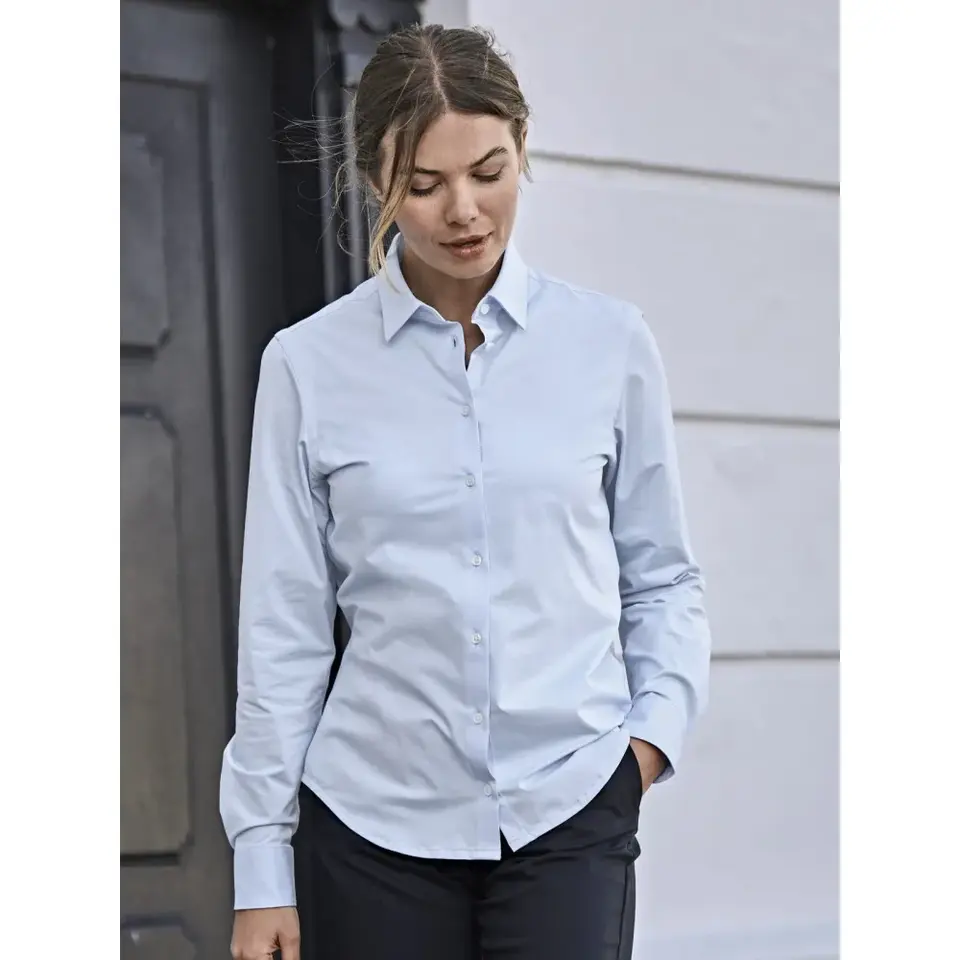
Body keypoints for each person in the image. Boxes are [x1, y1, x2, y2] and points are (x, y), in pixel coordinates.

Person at [221, 22, 711, 960]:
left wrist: (645, 746)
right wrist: (261, 869)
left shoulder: (609, 345)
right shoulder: (307, 366)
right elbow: (282, 628)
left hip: (570, 806)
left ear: (522, 148)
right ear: (376, 183)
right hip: (371, 827)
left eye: (489, 172)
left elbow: (662, 578)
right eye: (424, 184)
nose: (465, 211)